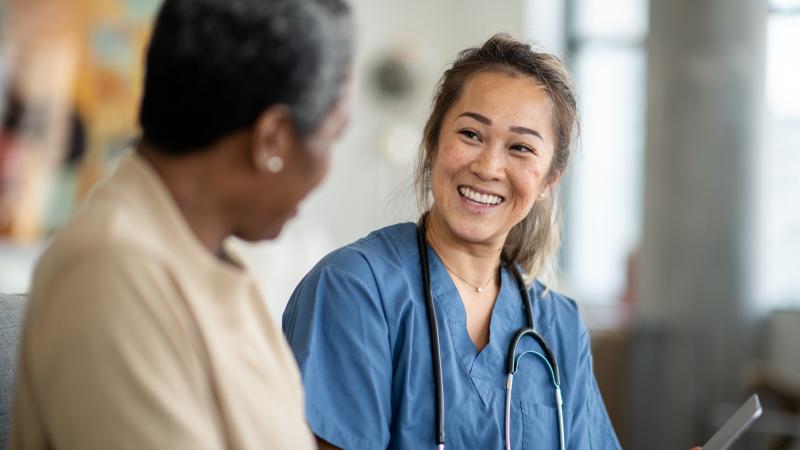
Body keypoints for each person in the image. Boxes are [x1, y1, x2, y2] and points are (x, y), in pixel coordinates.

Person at [10, 0, 353, 448]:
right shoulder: (111, 272)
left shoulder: (213, 263)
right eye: (333, 136)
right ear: (273, 139)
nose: (327, 169)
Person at [282, 34, 620, 449]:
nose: (488, 166)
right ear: (433, 140)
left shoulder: (559, 326)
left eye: (520, 147)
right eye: (471, 134)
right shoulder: (355, 289)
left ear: (550, 179)